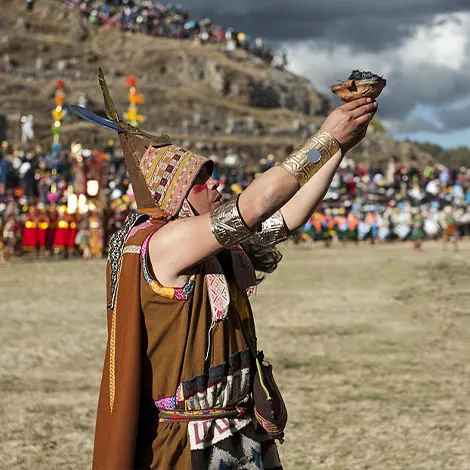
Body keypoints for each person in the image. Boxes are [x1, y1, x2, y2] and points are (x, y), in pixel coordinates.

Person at [71, 70, 377, 469]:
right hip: (187, 443)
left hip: (238, 428)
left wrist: (340, 148)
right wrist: (324, 138)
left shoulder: (211, 247)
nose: (216, 186)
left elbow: (287, 216)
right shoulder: (160, 242)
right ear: (175, 196)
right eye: (201, 182)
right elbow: (253, 207)